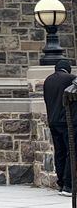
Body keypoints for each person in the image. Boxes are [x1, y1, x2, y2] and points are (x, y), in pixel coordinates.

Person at [44, 59, 77, 197]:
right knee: (71, 152)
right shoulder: (70, 79)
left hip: (53, 121)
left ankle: (61, 183)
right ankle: (69, 185)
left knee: (60, 153)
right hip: (67, 122)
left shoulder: (48, 80)